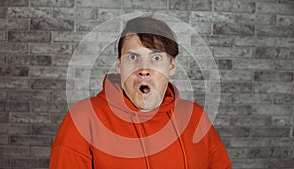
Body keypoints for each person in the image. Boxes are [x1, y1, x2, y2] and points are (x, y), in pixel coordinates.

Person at [49, 15, 232, 169]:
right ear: (119, 65)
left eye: (156, 57)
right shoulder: (83, 118)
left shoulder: (195, 117)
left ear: (172, 66)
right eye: (133, 57)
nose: (144, 69)